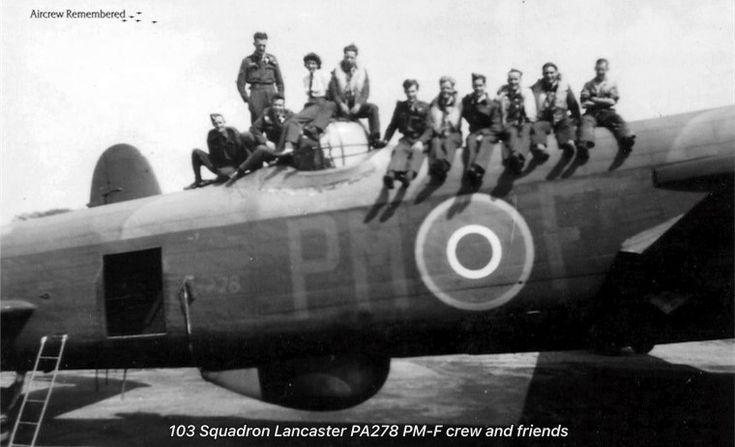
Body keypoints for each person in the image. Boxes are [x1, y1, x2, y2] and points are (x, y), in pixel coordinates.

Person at [225, 95, 294, 184]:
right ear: (271, 105)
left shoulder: (290, 115)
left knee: (260, 149)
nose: (277, 107)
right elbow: (254, 128)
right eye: (275, 105)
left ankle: (239, 171)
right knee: (245, 135)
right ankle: (255, 164)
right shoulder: (267, 113)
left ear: (284, 106)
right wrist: (266, 141)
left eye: (280, 105)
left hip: (284, 150)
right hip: (271, 148)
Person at [378, 79, 432, 189]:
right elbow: (392, 125)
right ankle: (391, 176)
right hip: (406, 139)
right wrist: (386, 139)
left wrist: (421, 142)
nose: (410, 94)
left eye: (413, 91)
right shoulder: (401, 107)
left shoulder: (425, 107)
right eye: (408, 92)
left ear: (417, 91)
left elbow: (429, 129)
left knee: (417, 153)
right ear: (405, 92)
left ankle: (408, 176)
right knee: (398, 151)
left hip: (419, 139)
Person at [278, 52, 337, 151]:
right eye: (308, 64)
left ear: (318, 65)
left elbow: (330, 92)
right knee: (287, 123)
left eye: (313, 63)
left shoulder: (324, 74)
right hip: (310, 104)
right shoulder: (306, 79)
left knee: (295, 120)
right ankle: (279, 150)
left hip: (321, 103)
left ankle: (290, 146)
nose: (311, 66)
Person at [578, 58, 636, 152]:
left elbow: (612, 101)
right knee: (585, 122)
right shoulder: (588, 85)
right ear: (595, 68)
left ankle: (626, 139)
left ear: (607, 69)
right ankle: (584, 145)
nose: (600, 72)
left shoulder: (611, 84)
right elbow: (584, 103)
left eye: (603, 69)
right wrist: (603, 101)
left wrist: (594, 99)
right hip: (591, 113)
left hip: (607, 112)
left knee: (617, 119)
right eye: (598, 69)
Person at [329, 43, 381, 146]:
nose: (349, 60)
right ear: (343, 56)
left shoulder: (362, 72)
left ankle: (375, 138)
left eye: (352, 57)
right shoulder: (336, 71)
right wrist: (341, 104)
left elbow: (365, 92)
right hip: (341, 107)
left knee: (373, 108)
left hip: (354, 107)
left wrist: (359, 104)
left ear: (356, 58)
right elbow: (333, 92)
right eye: (347, 57)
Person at [530, 62, 582, 160]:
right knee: (537, 126)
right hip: (545, 118)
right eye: (546, 73)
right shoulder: (536, 87)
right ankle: (540, 148)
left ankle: (569, 145)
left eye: (551, 73)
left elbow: (573, 104)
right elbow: (525, 93)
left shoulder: (564, 86)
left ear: (557, 73)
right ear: (543, 74)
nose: (549, 76)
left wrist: (576, 119)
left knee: (567, 124)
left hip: (560, 116)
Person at [187, 114, 251, 189]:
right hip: (219, 165)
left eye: (220, 123)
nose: (218, 125)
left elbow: (242, 151)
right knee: (196, 152)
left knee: (224, 173)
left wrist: (239, 169)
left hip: (233, 165)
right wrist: (217, 168)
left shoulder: (232, 132)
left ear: (224, 122)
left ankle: (223, 176)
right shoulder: (211, 134)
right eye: (215, 123)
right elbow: (212, 154)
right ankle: (198, 180)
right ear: (213, 124)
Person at [461, 73, 502, 182]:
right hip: (474, 133)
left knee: (486, 140)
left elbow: (497, 127)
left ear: (485, 86)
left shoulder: (492, 105)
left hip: (490, 133)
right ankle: (471, 170)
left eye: (480, 86)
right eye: (475, 86)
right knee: (470, 140)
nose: (478, 88)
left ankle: (479, 167)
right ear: (472, 86)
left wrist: (483, 133)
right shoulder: (468, 101)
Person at [236, 32, 285, 124]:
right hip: (256, 94)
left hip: (271, 93)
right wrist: (248, 99)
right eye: (259, 45)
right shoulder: (247, 61)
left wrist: (281, 97)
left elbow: (280, 82)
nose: (262, 48)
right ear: (254, 44)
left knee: (274, 121)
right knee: (257, 123)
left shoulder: (272, 59)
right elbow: (240, 83)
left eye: (264, 45)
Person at [496, 68, 537, 173]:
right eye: (511, 79)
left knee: (525, 132)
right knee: (511, 132)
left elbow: (530, 109)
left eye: (516, 79)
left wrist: (527, 119)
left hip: (523, 120)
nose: (513, 82)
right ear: (507, 80)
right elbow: (498, 111)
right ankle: (515, 156)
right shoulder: (503, 94)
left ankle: (519, 156)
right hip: (509, 123)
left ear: (520, 80)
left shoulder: (526, 92)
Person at [427, 76, 463, 181]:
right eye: (443, 88)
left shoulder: (458, 102)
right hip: (440, 133)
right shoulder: (435, 103)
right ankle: (438, 166)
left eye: (448, 88)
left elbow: (456, 122)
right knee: (435, 142)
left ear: (452, 89)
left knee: (449, 141)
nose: (445, 91)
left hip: (453, 133)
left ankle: (445, 165)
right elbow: (431, 119)